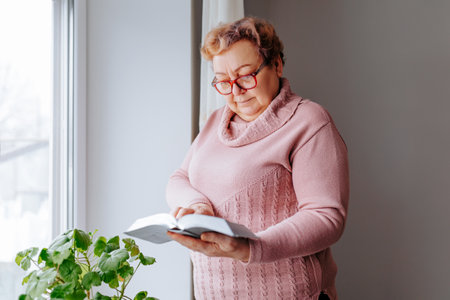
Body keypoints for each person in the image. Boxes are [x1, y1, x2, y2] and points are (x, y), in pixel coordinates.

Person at [166, 16, 349, 300]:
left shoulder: (309, 122)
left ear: (276, 64)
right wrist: (197, 206)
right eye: (224, 82)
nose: (236, 92)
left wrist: (250, 248)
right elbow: (180, 178)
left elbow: (326, 217)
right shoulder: (216, 122)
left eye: (246, 76)